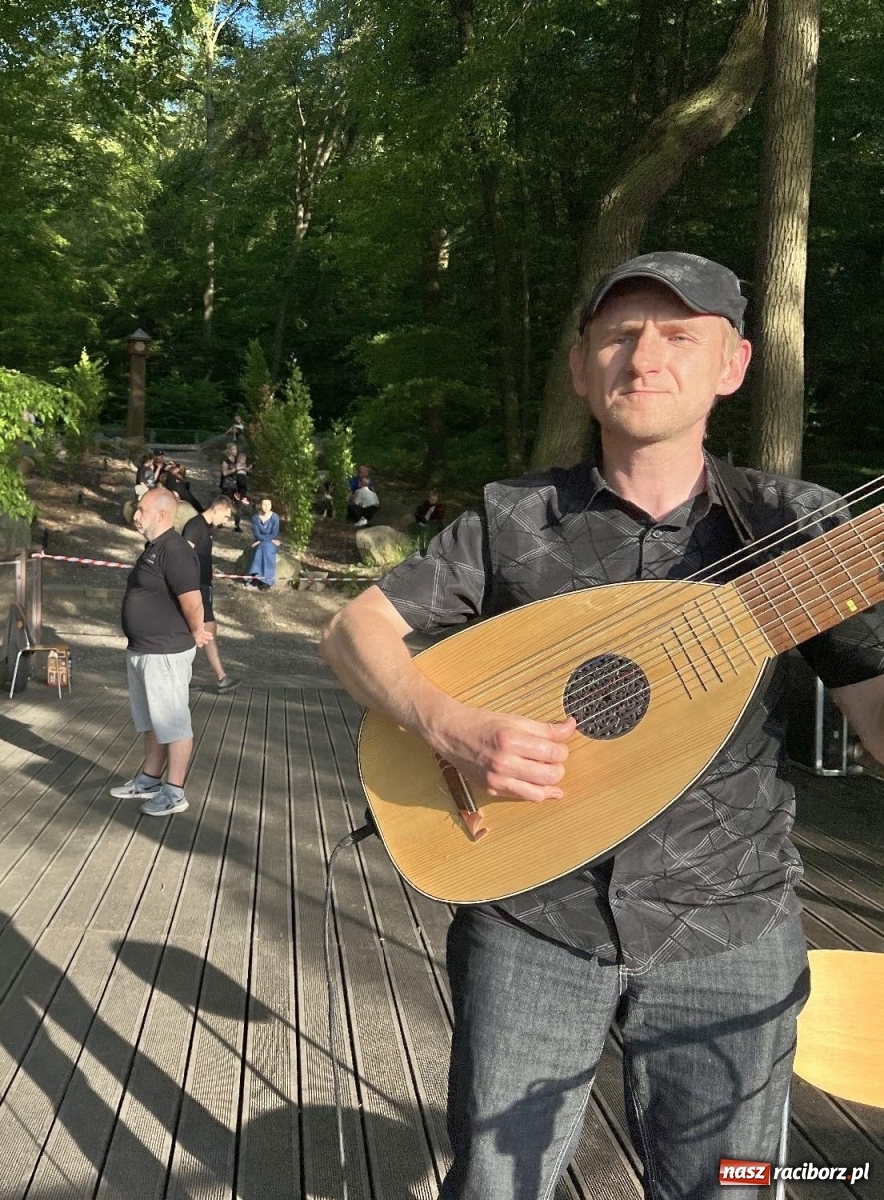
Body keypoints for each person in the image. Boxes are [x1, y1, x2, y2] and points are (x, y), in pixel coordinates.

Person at [320, 251, 884, 1200]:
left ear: (733, 365)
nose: (645, 357)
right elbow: (353, 631)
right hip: (531, 913)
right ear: (582, 369)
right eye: (618, 336)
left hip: (730, 925)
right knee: (499, 1182)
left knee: (735, 1187)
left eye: (679, 336)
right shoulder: (513, 519)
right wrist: (449, 724)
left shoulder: (798, 531)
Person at [110, 487, 212, 818]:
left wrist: (196, 631)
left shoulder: (176, 550)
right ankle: (150, 781)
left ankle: (174, 792)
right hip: (144, 651)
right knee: (153, 721)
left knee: (174, 722)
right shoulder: (154, 548)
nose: (135, 515)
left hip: (165, 653)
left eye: (141, 509)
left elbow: (193, 601)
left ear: (162, 514)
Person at [183, 495, 240, 693]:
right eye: (225, 516)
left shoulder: (206, 529)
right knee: (206, 629)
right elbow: (182, 557)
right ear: (216, 508)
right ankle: (221, 678)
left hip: (204, 586)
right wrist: (188, 587)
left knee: (201, 631)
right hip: (195, 588)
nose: (225, 521)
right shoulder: (195, 526)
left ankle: (184, 676)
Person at [249, 495, 281, 588]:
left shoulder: (275, 517)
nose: (266, 507)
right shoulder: (255, 518)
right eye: (264, 504)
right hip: (260, 541)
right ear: (259, 505)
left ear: (271, 506)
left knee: (265, 547)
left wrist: (261, 541)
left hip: (271, 542)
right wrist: (260, 541)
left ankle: (266, 581)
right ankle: (256, 577)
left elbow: (274, 533)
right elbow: (256, 534)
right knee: (260, 547)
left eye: (269, 504)